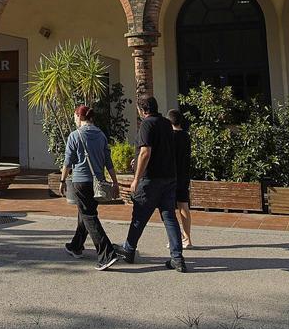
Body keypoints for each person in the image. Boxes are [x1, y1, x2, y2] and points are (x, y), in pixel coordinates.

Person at [114, 96, 186, 272]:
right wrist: (136, 159)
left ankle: (129, 250)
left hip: (151, 179)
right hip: (169, 177)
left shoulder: (147, 124)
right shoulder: (166, 124)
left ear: (142, 110)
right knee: (169, 217)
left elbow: (146, 152)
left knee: (139, 215)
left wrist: (136, 179)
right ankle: (177, 258)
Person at [59, 104, 122, 270]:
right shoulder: (101, 135)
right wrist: (114, 182)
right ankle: (76, 246)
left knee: (88, 216)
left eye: (75, 116)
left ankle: (106, 253)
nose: (74, 119)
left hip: (80, 181)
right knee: (86, 214)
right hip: (97, 182)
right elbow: (108, 162)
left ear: (79, 117)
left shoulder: (75, 136)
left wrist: (62, 180)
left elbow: (68, 162)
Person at [166, 108, 193, 249]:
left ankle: (174, 238)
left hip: (171, 175)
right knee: (184, 206)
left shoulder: (170, 136)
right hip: (184, 175)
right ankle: (187, 238)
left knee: (169, 209)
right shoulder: (186, 136)